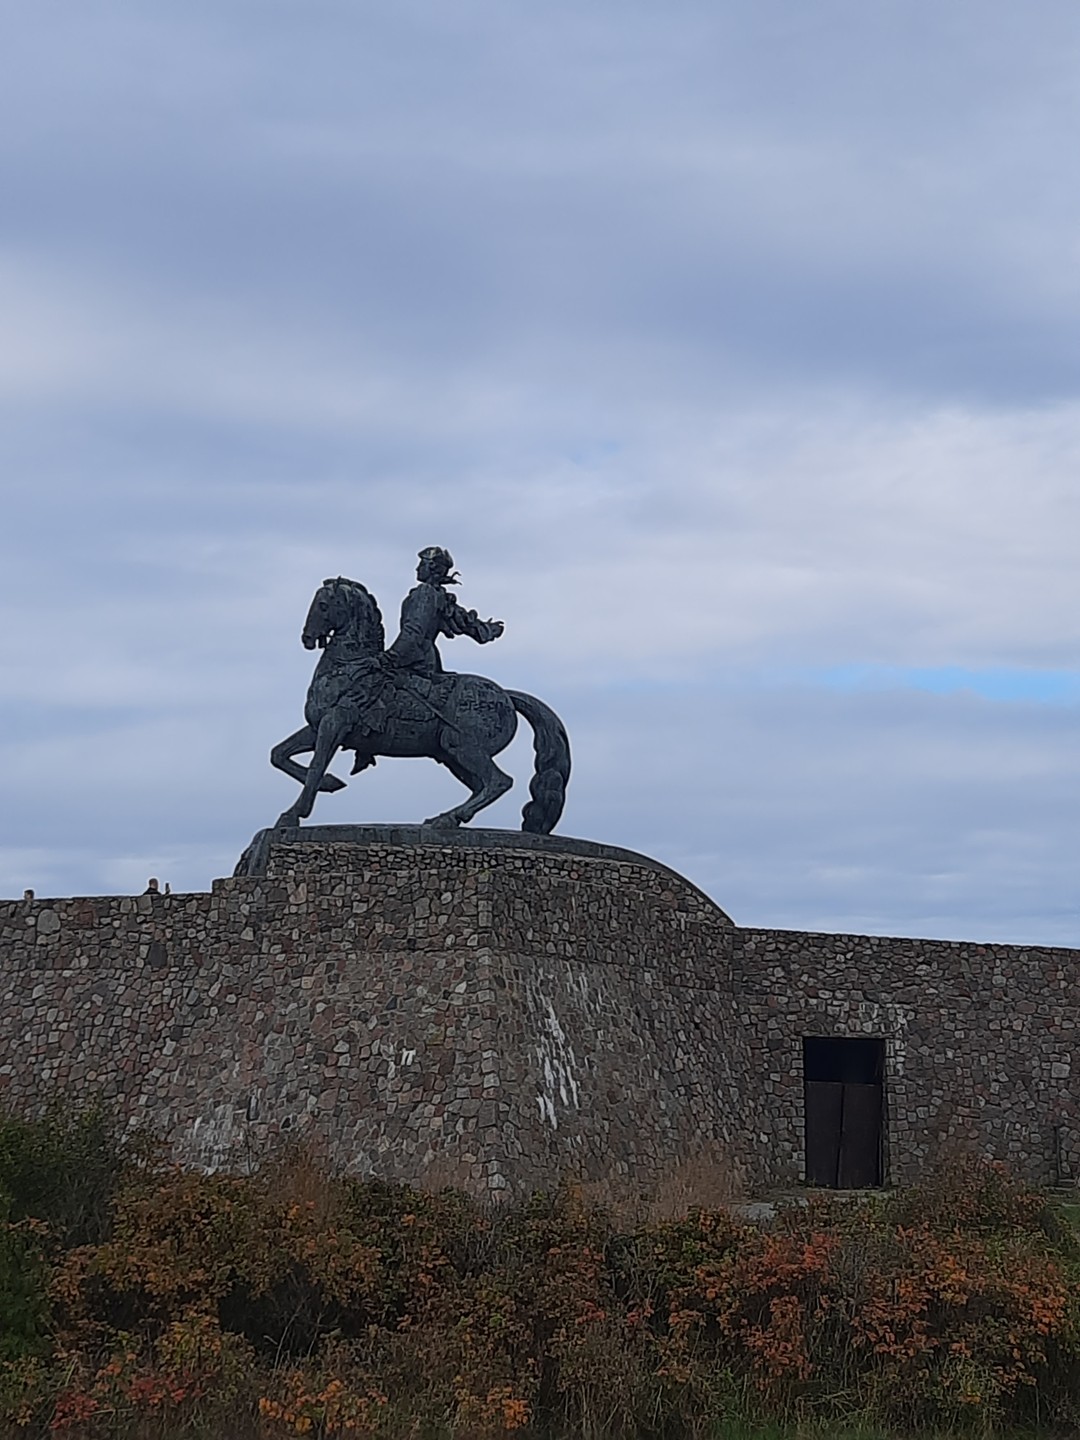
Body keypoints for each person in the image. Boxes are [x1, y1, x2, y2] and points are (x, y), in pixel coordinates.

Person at [385, 547, 504, 679]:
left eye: (421, 564)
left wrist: (389, 658)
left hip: (416, 663)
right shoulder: (439, 595)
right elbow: (465, 622)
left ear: (431, 567)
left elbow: (413, 631)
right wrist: (486, 629)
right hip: (429, 661)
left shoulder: (425, 592)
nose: (417, 569)